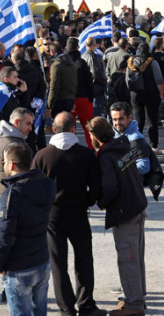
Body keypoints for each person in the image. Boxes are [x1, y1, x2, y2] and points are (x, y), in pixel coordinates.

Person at [32, 112, 105, 316]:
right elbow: (96, 188)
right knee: (83, 259)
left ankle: (66, 308)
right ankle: (86, 304)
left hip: (52, 216)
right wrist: (87, 200)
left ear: (54, 129)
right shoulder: (86, 155)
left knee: (58, 263)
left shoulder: (42, 155)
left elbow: (34, 189)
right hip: (78, 213)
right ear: (74, 128)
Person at [87, 117, 147, 316]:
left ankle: (134, 305)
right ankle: (137, 297)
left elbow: (110, 188)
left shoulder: (106, 156)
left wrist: (101, 203)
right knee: (136, 257)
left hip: (125, 212)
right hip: (138, 206)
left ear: (94, 135)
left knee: (128, 259)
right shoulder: (121, 145)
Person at [0, 141, 55, 316]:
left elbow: (4, 234)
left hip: (20, 268)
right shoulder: (46, 185)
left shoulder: (12, 195)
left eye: (3, 162)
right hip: (42, 261)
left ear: (11, 164)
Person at [0, 107, 35, 202]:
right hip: (14, 200)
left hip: (3, 197)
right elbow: (21, 176)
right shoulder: (15, 146)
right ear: (16, 122)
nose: (30, 128)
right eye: (28, 124)